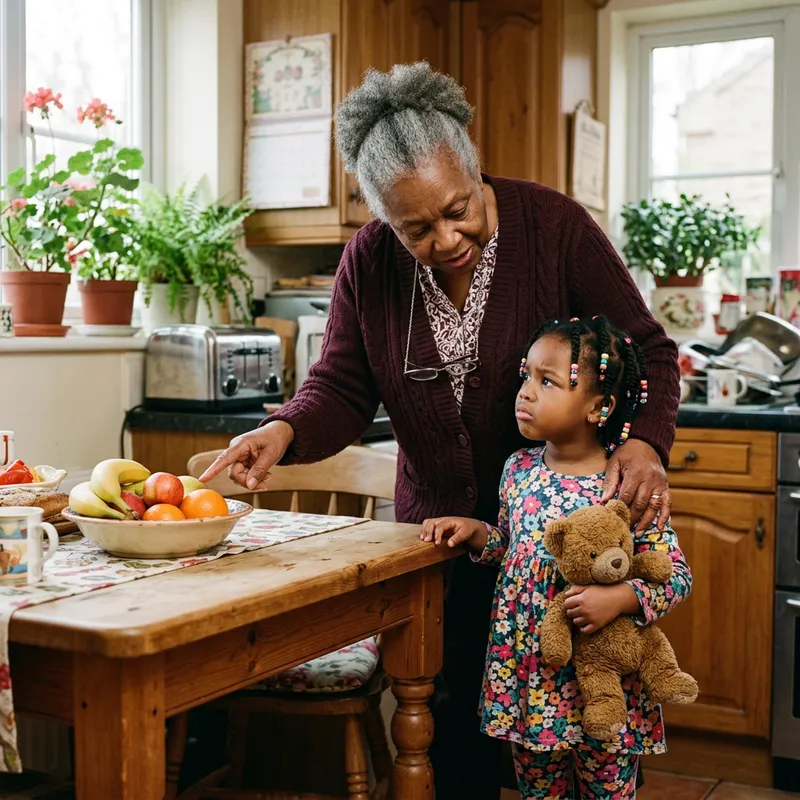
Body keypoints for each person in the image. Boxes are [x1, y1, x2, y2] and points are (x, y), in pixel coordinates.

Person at [199, 63, 681, 799]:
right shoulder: (370, 260)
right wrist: (285, 431)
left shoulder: (554, 228)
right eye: (414, 227)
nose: (446, 238)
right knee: (456, 726)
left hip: (557, 559)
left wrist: (645, 441)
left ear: (473, 163)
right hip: (440, 541)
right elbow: (342, 384)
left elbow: (647, 348)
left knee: (581, 727)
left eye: (458, 210)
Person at [421, 316, 691, 799]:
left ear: (599, 405)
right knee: (538, 792)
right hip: (532, 681)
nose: (526, 392)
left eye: (547, 381)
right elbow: (514, 547)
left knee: (607, 792)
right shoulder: (517, 469)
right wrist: (479, 534)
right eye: (526, 375)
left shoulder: (625, 482)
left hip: (605, 686)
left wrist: (622, 599)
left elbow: (674, 576)